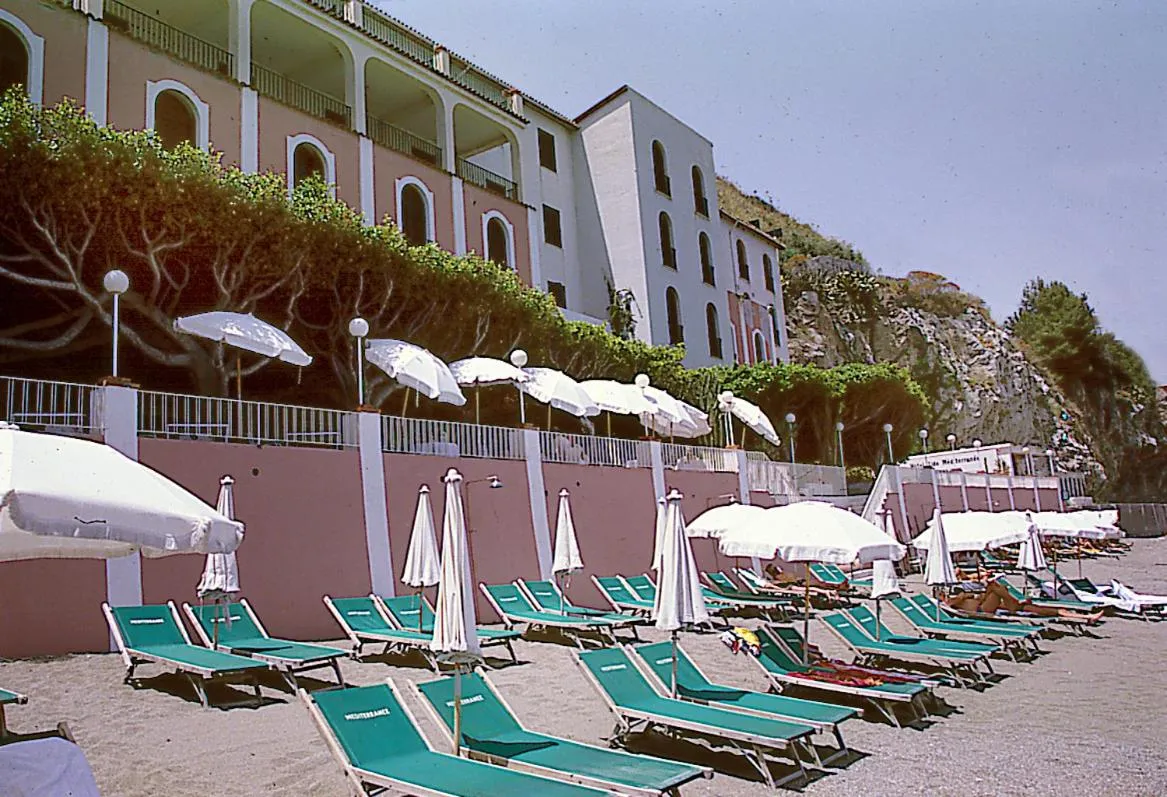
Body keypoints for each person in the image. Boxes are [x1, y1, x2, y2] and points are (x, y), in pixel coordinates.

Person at [945, 580, 1103, 623]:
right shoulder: (952, 601)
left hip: (991, 607)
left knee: (1039, 609)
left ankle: (1085, 617)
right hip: (983, 612)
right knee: (994, 587)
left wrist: (975, 596)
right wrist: (962, 596)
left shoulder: (963, 597)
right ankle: (1014, 604)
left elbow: (981, 598)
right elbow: (950, 604)